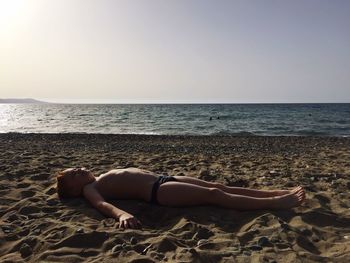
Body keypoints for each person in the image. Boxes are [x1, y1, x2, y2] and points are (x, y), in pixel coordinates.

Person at [56, 167, 305, 229]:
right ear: (75, 190)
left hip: (166, 178)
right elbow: (102, 205)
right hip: (159, 192)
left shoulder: (96, 177)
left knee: (217, 184)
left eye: (76, 169)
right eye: (73, 175)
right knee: (214, 194)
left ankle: (275, 192)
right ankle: (276, 203)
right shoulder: (91, 190)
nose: (78, 170)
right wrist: (122, 214)